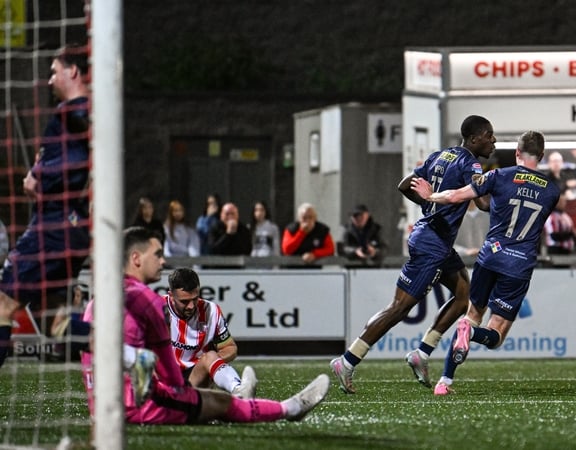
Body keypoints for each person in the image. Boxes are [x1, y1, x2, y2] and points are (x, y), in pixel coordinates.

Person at [79, 226, 329, 424]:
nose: (162, 261)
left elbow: (88, 350)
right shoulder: (149, 302)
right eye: (157, 254)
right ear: (136, 258)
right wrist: (181, 390)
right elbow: (169, 374)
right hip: (142, 405)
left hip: (102, 405)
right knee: (220, 404)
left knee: (210, 386)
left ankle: (247, 393)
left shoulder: (101, 298)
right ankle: (291, 408)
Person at [329, 114, 495, 394]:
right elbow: (482, 203)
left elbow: (405, 184)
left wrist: (428, 204)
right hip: (432, 243)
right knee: (399, 308)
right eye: (489, 135)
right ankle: (347, 360)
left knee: (464, 293)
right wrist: (505, 190)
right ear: (474, 138)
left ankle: (422, 352)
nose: (493, 140)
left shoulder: (440, 156)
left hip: (436, 240)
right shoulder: (471, 163)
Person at [410, 130, 560, 395]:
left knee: (473, 315)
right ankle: (470, 334)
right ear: (542, 155)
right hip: (519, 263)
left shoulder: (498, 176)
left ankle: (445, 382)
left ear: (517, 152)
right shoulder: (552, 190)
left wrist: (430, 196)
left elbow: (457, 196)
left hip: (490, 255)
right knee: (496, 334)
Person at [0, 44, 92, 369]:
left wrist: (40, 175)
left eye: (54, 71)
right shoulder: (69, 117)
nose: (50, 80)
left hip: (54, 229)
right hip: (67, 230)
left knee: (2, 304)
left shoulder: (76, 110)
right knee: (57, 323)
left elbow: (86, 120)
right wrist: (36, 171)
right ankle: (135, 352)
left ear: (73, 72)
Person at [164, 267, 257, 397]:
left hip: (194, 378)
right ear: (171, 295)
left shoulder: (211, 311)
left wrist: (210, 364)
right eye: (184, 301)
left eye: (195, 299)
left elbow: (230, 348)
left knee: (211, 356)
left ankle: (240, 392)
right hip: (163, 380)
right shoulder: (155, 309)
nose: (191, 306)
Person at [543, 190, 576, 255]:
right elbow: (554, 236)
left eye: (564, 201)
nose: (564, 203)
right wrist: (571, 234)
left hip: (566, 249)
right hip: (556, 248)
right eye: (561, 202)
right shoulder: (551, 216)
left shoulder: (565, 215)